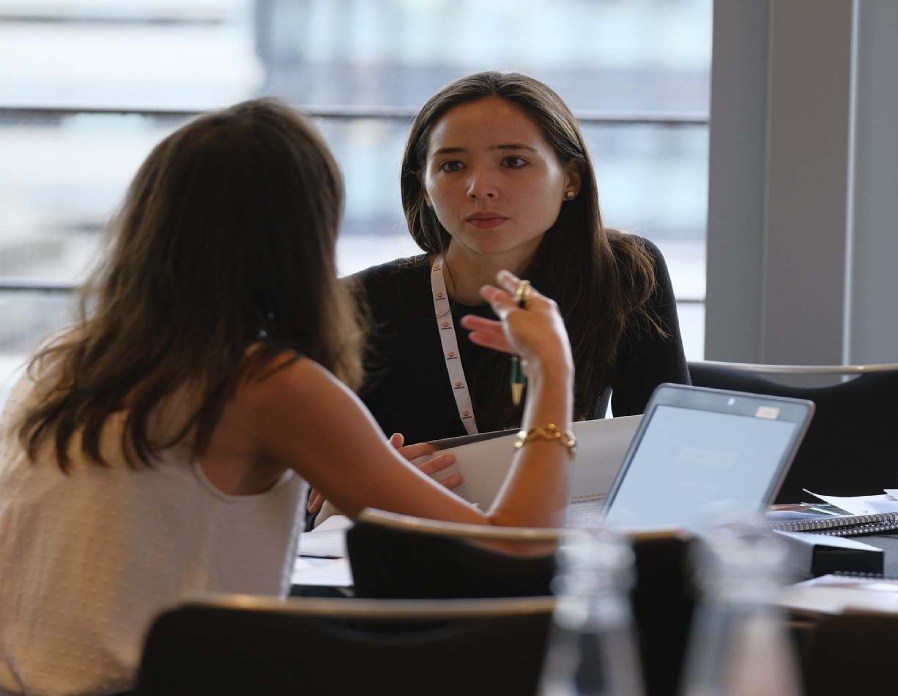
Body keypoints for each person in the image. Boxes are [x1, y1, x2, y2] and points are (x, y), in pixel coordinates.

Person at [0, 100, 577, 696]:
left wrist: (366, 473)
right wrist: (553, 371)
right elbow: (515, 551)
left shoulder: (63, 360)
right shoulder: (264, 382)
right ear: (303, 235)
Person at [349, 71, 689, 448]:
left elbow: (665, 447)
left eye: (512, 162)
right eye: (452, 166)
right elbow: (317, 483)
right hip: (401, 509)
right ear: (424, 188)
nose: (480, 189)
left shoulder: (624, 272)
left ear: (570, 179)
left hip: (567, 507)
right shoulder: (358, 302)